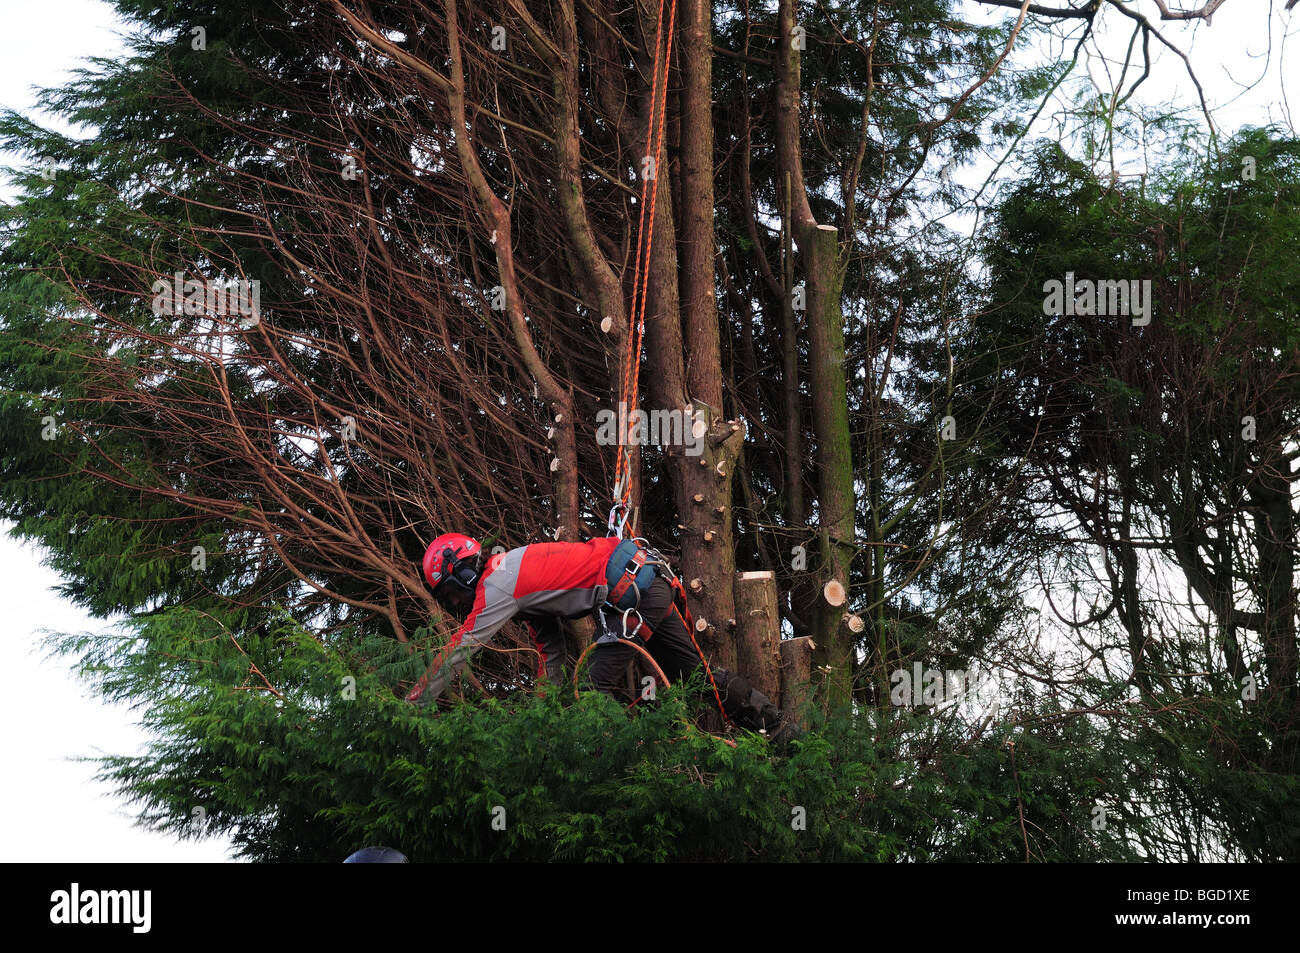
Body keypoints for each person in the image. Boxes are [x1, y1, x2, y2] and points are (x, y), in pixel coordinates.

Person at [405, 532, 800, 745]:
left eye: (453, 595)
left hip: (629, 594)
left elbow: (461, 648)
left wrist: (417, 699)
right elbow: (551, 652)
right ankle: (778, 731)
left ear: (463, 574)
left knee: (592, 692)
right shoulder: (514, 583)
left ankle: (629, 767)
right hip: (647, 584)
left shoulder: (497, 586)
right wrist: (545, 716)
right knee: (694, 676)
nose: (458, 604)